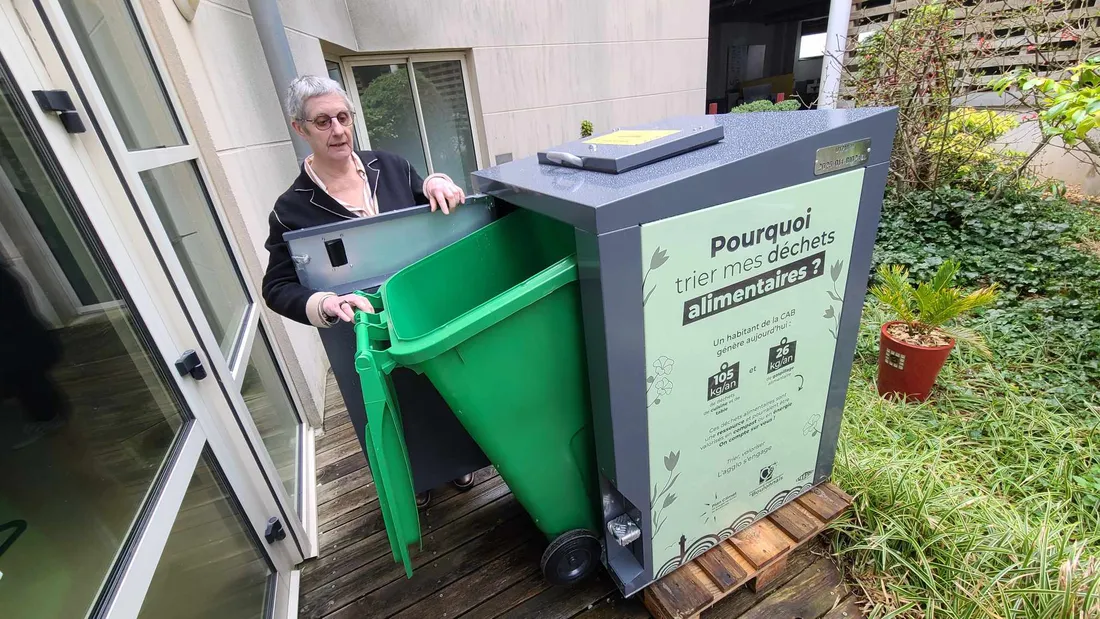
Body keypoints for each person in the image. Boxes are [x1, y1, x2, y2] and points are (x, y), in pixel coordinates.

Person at [262, 75, 471, 506]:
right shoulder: (291, 208)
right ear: (300, 128)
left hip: (420, 312)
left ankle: (458, 461)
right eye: (323, 122)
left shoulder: (391, 167)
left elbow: (426, 210)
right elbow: (277, 286)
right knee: (392, 407)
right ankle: (416, 479)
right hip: (357, 330)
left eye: (343, 117)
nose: (338, 130)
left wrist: (434, 182)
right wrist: (325, 302)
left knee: (441, 388)